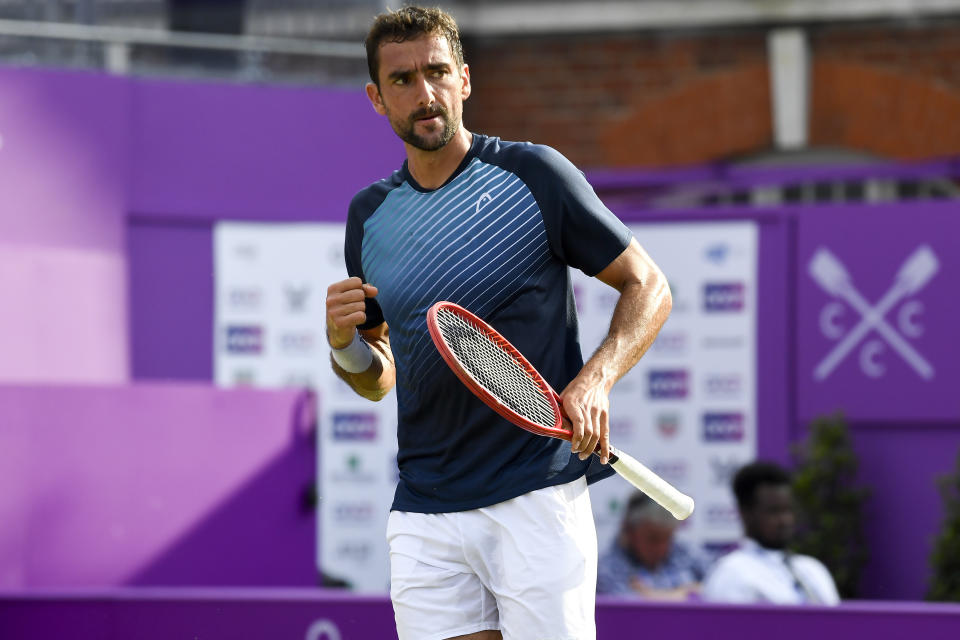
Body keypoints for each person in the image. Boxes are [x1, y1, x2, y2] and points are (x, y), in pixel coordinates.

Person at [323, 6, 672, 639]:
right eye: (402, 80)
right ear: (377, 98)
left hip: (536, 496)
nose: (424, 94)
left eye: (437, 72)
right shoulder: (368, 216)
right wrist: (344, 347)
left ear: (465, 78)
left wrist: (595, 381)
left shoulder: (534, 175)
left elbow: (647, 285)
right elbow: (379, 379)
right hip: (426, 509)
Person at [701, 461, 841, 605]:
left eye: (788, 510)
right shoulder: (731, 572)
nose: (785, 520)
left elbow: (838, 625)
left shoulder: (812, 568)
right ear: (745, 513)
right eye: (774, 511)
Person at [597, 491, 709, 600]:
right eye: (653, 538)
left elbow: (718, 586)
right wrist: (686, 593)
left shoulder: (687, 553)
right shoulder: (606, 568)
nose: (661, 547)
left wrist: (651, 595)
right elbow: (626, 610)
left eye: (668, 538)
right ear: (629, 532)